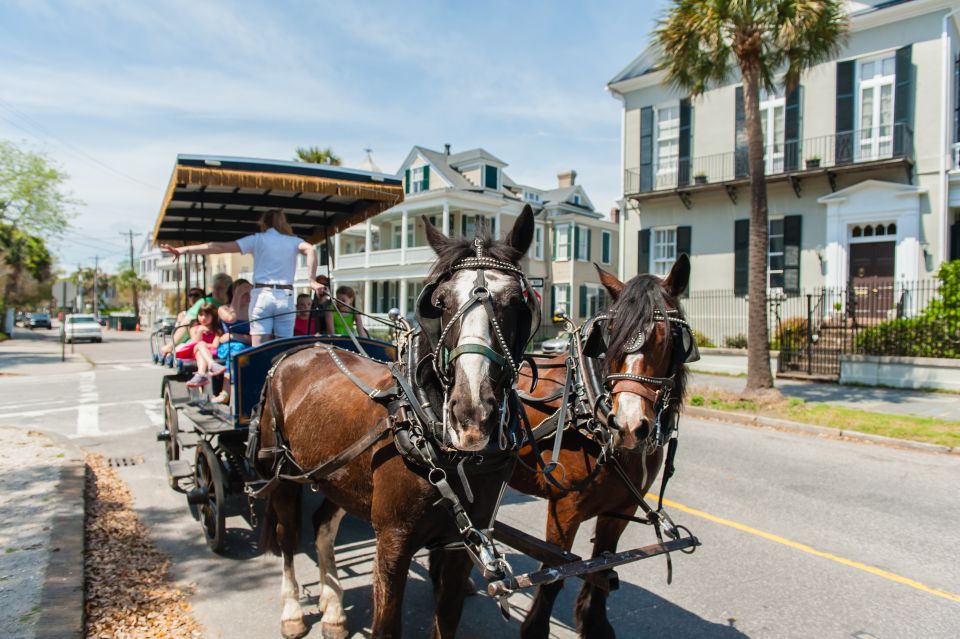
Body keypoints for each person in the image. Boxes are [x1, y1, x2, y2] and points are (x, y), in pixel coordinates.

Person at [161, 209, 325, 346]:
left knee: (259, 349)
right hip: (285, 298)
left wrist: (183, 250)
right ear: (283, 223)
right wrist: (311, 280)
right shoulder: (293, 241)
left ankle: (260, 383)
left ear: (264, 224)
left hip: (263, 296)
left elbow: (218, 247)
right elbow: (311, 250)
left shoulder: (258, 239)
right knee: (285, 349)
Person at [209, 279, 253, 404]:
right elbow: (231, 318)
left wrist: (234, 335)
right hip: (228, 346)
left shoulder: (255, 311)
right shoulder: (224, 308)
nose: (245, 294)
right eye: (241, 291)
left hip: (248, 344)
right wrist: (238, 294)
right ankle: (227, 391)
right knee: (237, 350)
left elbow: (258, 337)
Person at [179, 304, 226, 388]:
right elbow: (194, 342)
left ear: (213, 316)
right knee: (200, 344)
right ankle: (212, 364)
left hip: (210, 352)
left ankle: (201, 374)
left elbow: (215, 345)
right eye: (201, 315)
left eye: (207, 315)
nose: (203, 318)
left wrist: (204, 345)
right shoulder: (194, 328)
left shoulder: (217, 330)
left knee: (201, 348)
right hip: (194, 351)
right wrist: (200, 332)